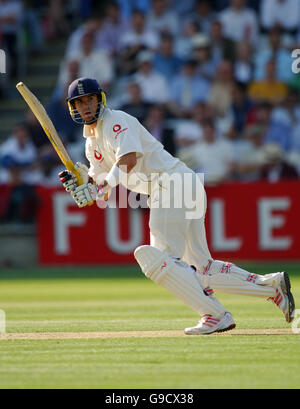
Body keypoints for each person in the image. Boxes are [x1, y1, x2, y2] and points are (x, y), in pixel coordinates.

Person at [58, 77, 295, 335]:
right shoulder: (91, 144)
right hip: (181, 185)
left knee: (156, 261)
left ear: (100, 99)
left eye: (90, 99)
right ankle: (271, 287)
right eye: (79, 102)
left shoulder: (116, 121)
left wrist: (98, 185)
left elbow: (129, 158)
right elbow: (103, 191)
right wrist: (85, 186)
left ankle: (215, 315)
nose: (86, 106)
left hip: (171, 184)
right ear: (73, 108)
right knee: (201, 269)